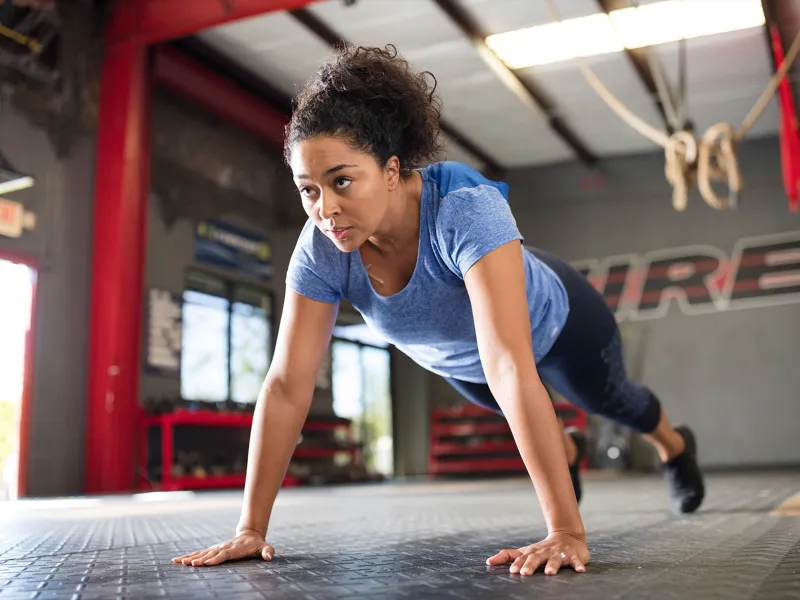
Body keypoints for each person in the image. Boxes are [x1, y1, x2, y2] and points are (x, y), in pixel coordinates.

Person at [173, 44, 705, 577]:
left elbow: (509, 363)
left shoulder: (462, 208)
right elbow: (287, 385)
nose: (325, 208)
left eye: (341, 181)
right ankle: (566, 452)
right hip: (464, 365)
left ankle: (674, 446)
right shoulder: (322, 249)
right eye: (307, 189)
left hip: (560, 323)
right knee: (525, 418)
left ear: (390, 169)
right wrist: (251, 529)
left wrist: (565, 532)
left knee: (615, 402)